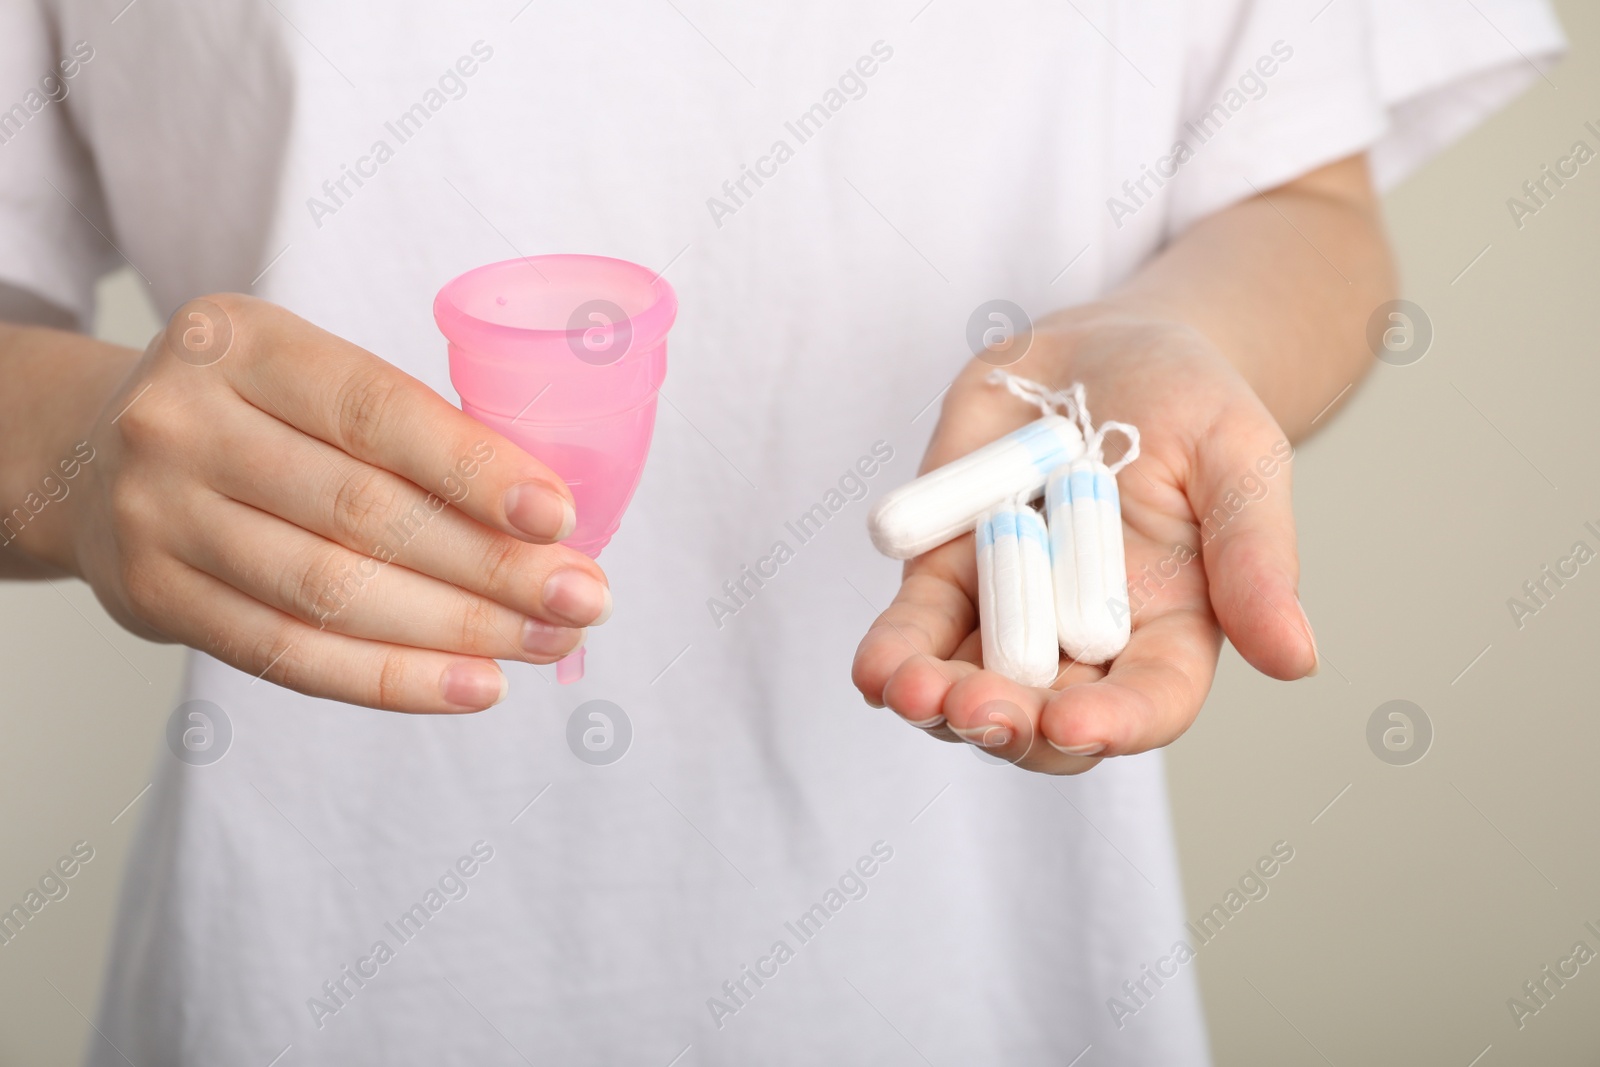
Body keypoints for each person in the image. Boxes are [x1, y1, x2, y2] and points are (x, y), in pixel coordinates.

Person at [0, 1, 1564, 1063]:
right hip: (318, 971)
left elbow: (1304, 199)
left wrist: (1172, 339)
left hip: (982, 985)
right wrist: (81, 451)